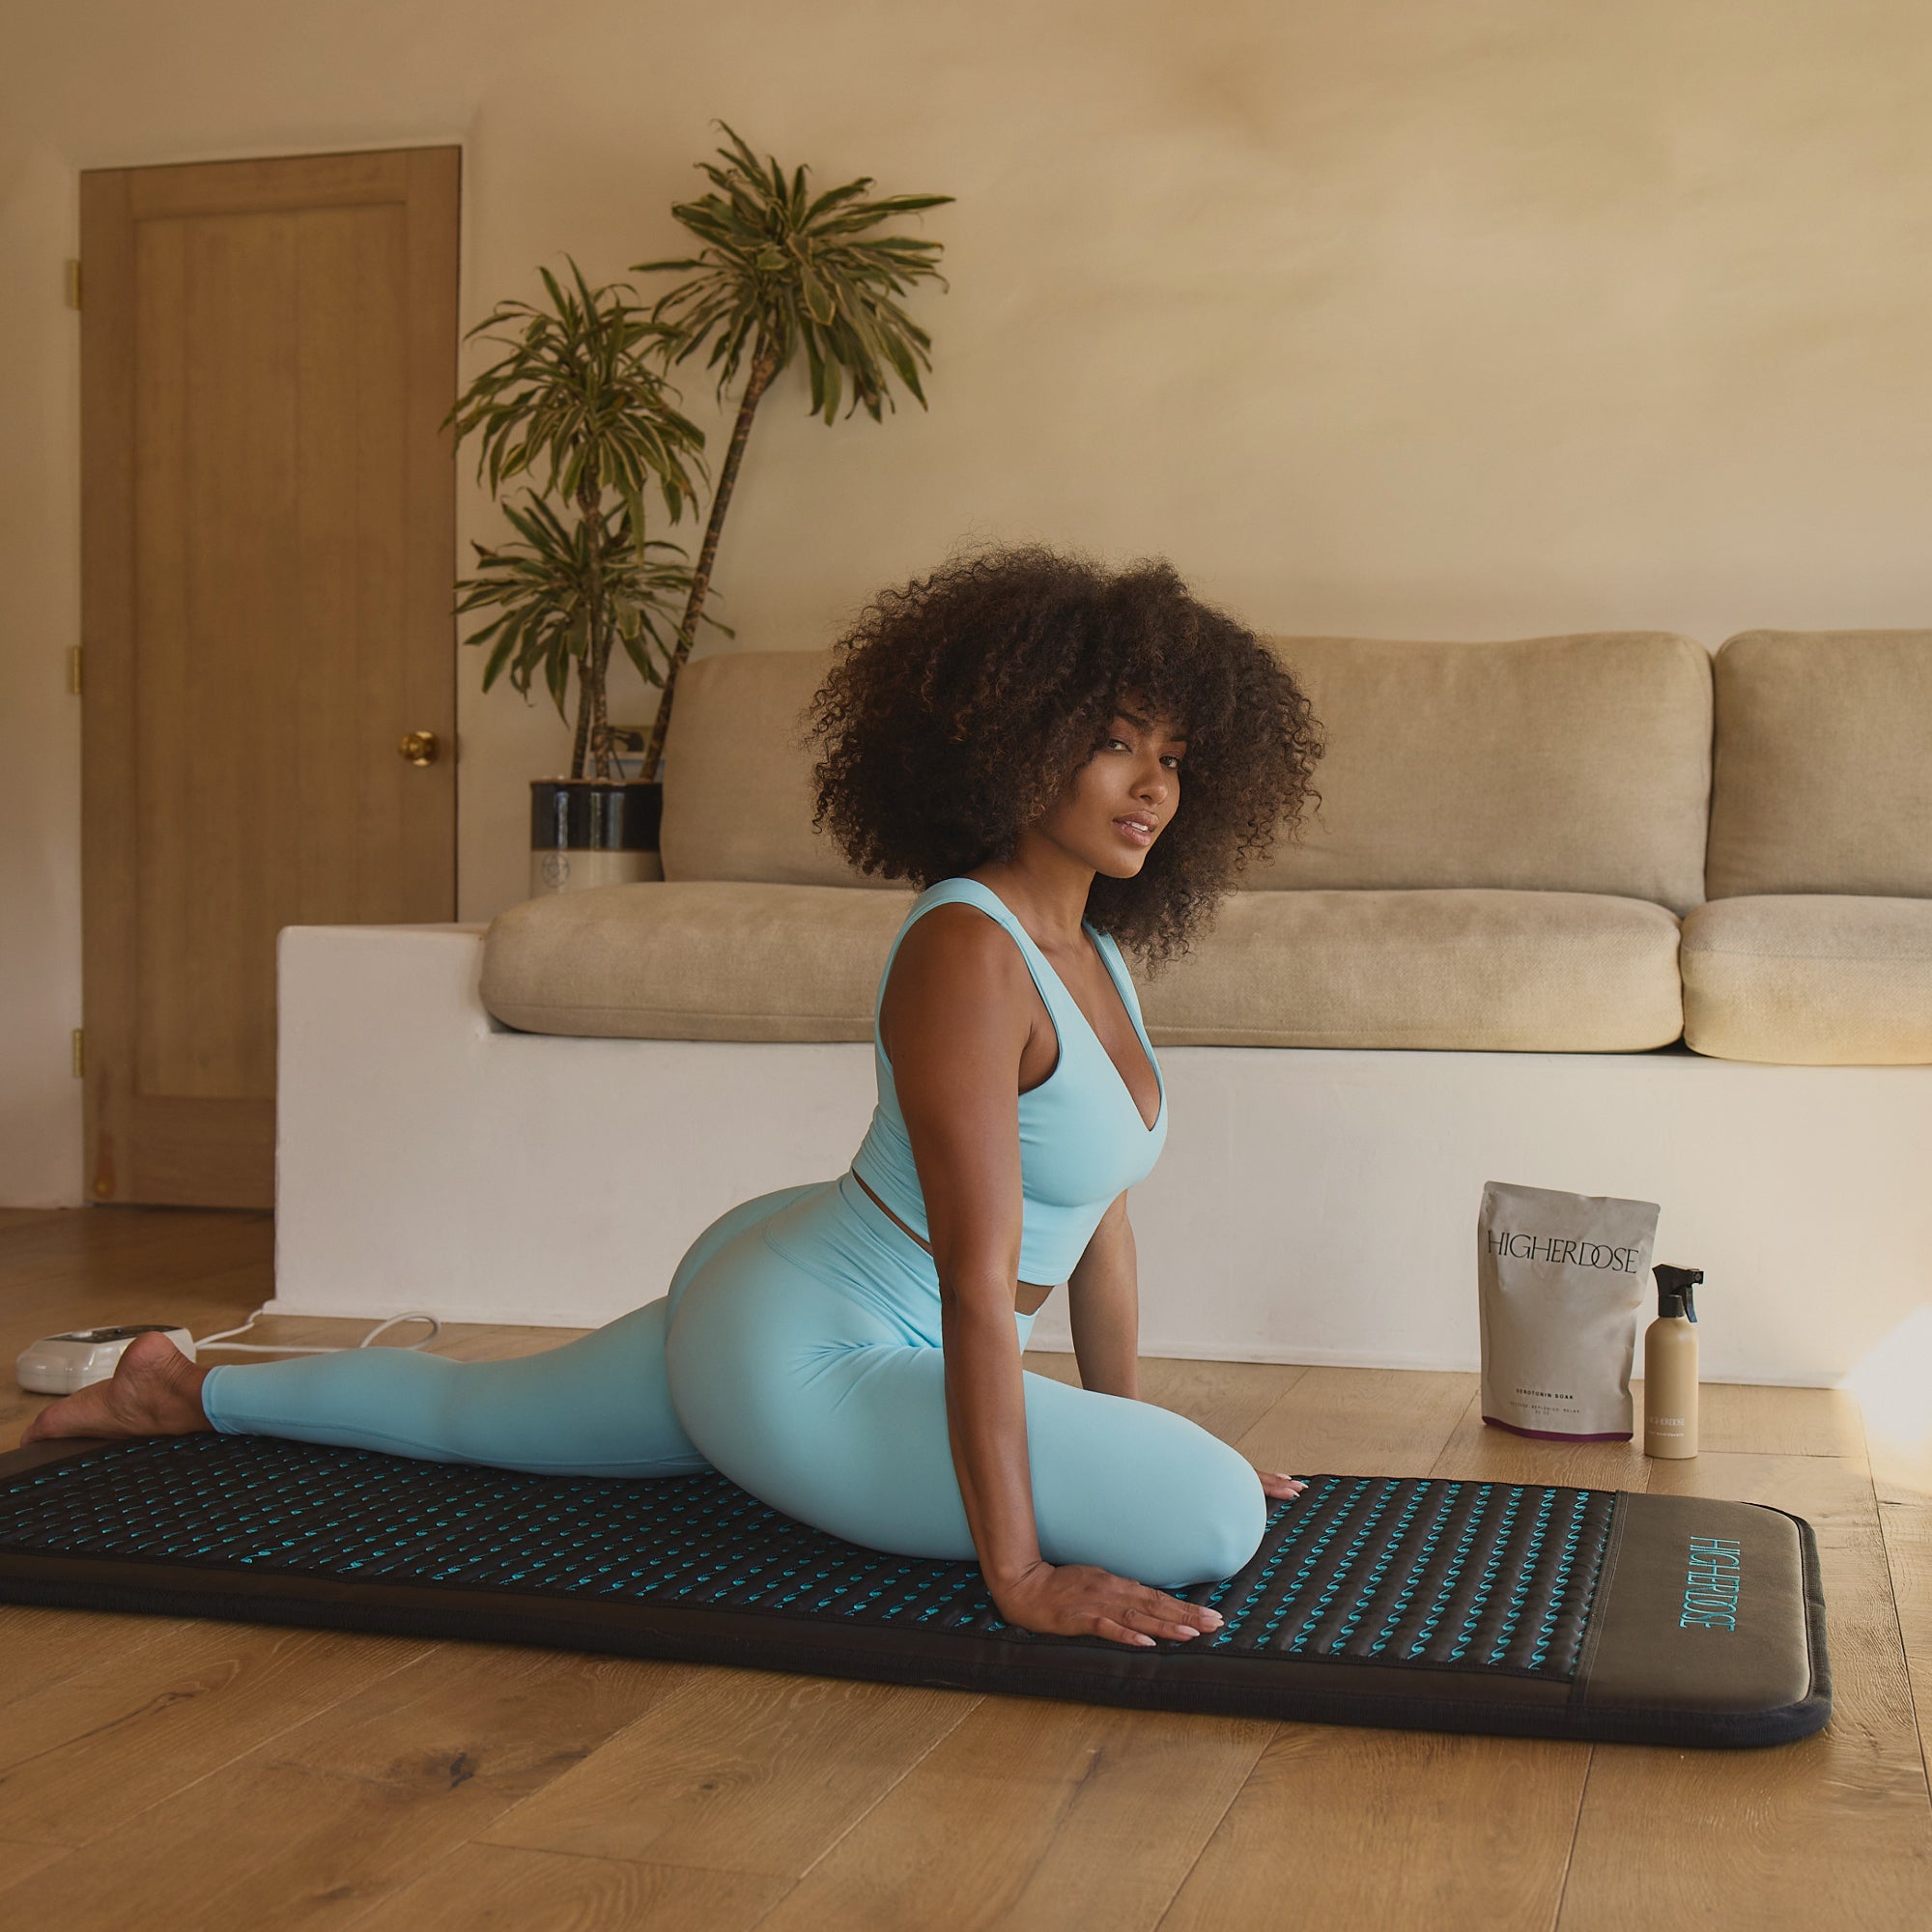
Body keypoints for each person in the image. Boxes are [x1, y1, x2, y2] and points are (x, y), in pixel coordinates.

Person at [24, 543, 1324, 1652]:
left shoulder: (1094, 953)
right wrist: (1023, 1571)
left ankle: (176, 1390)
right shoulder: (968, 952)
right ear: (1016, 738)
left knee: (481, 1413)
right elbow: (978, 1288)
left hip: (797, 1276)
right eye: (1111, 745)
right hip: (810, 1340)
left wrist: (1124, 1435)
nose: (1152, 786)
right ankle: (193, 1392)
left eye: (1172, 753)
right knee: (1211, 1518)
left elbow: (1099, 1221)